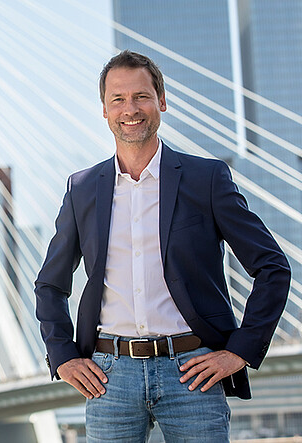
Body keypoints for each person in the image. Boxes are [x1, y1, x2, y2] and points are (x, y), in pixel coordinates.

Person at [35, 50, 291, 442]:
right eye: (117, 99)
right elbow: (50, 284)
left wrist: (240, 350)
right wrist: (63, 355)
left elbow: (272, 267)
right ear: (104, 110)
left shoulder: (206, 179)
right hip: (109, 377)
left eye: (141, 96)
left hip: (192, 372)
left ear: (162, 102)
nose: (130, 109)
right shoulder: (82, 189)